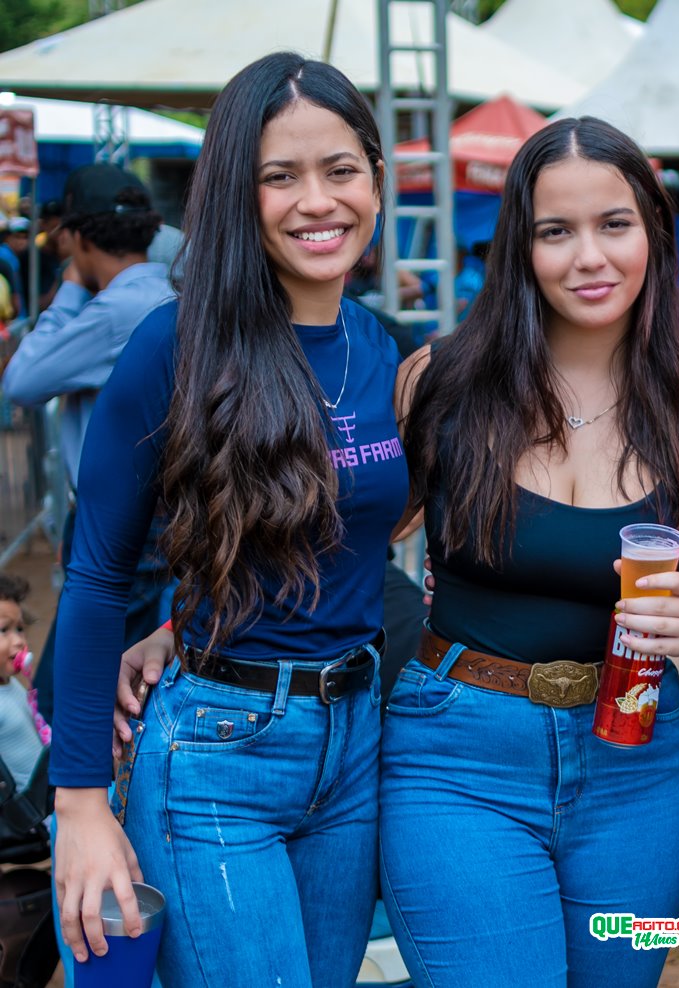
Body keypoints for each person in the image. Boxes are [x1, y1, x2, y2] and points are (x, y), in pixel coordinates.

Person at [50, 52, 406, 987]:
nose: (315, 201)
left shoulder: (381, 348)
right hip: (217, 757)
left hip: (356, 741)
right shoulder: (173, 346)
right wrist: (82, 806)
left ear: (375, 176)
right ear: (236, 197)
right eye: (278, 176)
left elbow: (357, 537)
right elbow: (92, 576)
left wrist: (182, 617)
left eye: (339, 169)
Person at [381, 117, 679, 988]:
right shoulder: (439, 383)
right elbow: (344, 547)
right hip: (458, 762)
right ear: (521, 247)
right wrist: (181, 623)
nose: (590, 257)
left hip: (637, 768)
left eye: (614, 225)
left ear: (655, 236)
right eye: (557, 231)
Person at [1, 165, 177, 725]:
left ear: (76, 236)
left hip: (126, 522)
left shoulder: (119, 309)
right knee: (135, 686)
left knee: (65, 696)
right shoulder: (173, 289)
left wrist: (72, 286)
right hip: (162, 517)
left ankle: (67, 809)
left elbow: (22, 381)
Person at [0, 573, 44, 787]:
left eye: (19, 629)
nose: (18, 641)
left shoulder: (10, 682)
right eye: (3, 630)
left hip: (48, 796)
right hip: (29, 813)